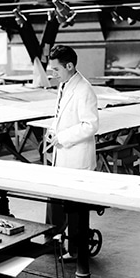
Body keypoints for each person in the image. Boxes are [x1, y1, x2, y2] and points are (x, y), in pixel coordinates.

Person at [45, 45, 99, 261]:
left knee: (75, 210)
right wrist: (53, 131)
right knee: (57, 202)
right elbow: (61, 114)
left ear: (70, 66)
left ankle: (76, 251)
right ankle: (53, 241)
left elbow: (90, 125)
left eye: (56, 70)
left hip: (77, 158)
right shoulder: (65, 85)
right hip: (63, 156)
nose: (53, 74)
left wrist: (63, 138)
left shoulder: (84, 90)